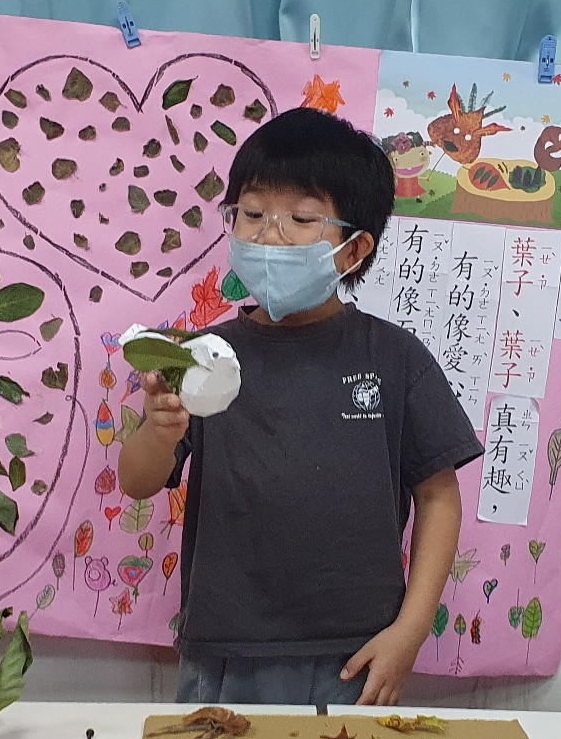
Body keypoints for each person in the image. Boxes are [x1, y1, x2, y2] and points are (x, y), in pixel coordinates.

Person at [119, 107, 482, 706]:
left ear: (354, 249)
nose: (269, 236)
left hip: (356, 656)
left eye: (303, 219)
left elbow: (440, 499)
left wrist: (410, 632)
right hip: (224, 651)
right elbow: (137, 482)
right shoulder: (204, 355)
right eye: (252, 214)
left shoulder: (395, 358)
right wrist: (158, 433)